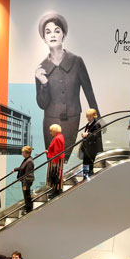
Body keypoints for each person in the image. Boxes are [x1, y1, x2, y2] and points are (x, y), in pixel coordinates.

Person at [35, 13, 99, 161]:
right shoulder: (41, 68)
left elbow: (89, 91)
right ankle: (54, 184)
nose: (52, 35)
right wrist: (44, 83)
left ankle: (62, 183)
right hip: (50, 119)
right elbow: (42, 104)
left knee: (65, 158)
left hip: (72, 117)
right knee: (52, 158)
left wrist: (98, 119)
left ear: (63, 35)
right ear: (44, 38)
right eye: (48, 31)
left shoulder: (76, 61)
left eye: (57, 30)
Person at [81, 109, 103, 179]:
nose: (88, 118)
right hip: (87, 148)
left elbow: (97, 136)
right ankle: (85, 176)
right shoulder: (88, 124)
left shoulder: (97, 124)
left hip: (92, 148)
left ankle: (89, 176)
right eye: (87, 117)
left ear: (94, 116)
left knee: (90, 163)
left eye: (90, 117)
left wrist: (87, 134)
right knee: (85, 162)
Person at [13, 146, 35, 214]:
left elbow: (28, 174)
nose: (22, 153)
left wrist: (25, 184)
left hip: (27, 181)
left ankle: (29, 209)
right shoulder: (27, 159)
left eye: (23, 152)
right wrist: (15, 169)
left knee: (26, 195)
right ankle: (27, 206)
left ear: (26, 153)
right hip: (25, 181)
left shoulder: (29, 161)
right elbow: (22, 167)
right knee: (26, 194)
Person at [46, 124, 65, 198]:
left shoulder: (57, 138)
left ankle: (56, 191)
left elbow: (57, 152)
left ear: (54, 131)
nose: (50, 133)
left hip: (56, 159)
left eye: (51, 131)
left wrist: (54, 162)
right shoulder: (60, 136)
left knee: (55, 175)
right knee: (56, 175)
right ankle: (56, 189)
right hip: (58, 159)